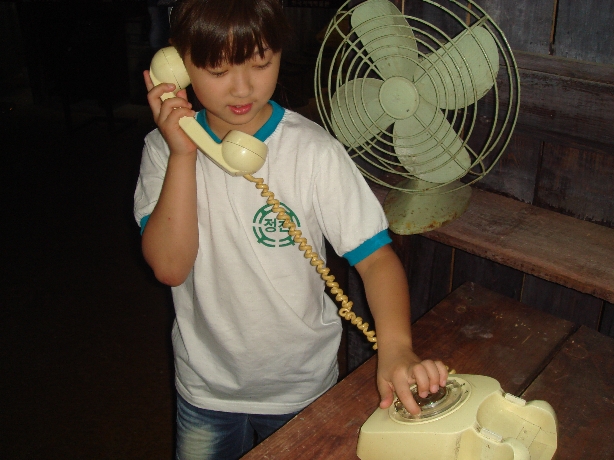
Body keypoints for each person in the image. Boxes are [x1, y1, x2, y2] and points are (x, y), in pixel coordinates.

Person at [134, 0, 448, 458]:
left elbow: (376, 257)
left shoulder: (314, 152)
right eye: (218, 70)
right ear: (177, 67)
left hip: (303, 386)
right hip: (208, 389)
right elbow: (169, 267)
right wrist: (184, 154)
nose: (242, 87)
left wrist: (397, 347)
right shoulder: (163, 152)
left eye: (261, 63)